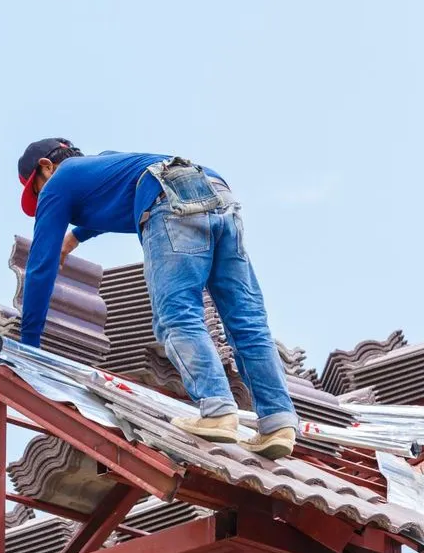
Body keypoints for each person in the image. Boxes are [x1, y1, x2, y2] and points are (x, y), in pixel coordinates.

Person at [16, 138, 298, 459]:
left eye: (36, 192)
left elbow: (41, 263)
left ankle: (217, 410)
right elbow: (127, 188)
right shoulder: (104, 162)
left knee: (177, 314)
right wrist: (76, 237)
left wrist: (29, 345)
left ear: (46, 167)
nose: (42, 201)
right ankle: (278, 423)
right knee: (246, 320)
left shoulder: (60, 181)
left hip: (168, 200)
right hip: (216, 191)